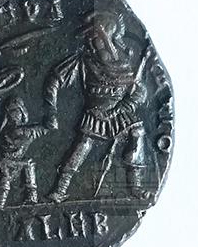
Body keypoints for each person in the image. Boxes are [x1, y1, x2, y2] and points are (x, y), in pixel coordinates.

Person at [44, 10, 150, 202]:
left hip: (120, 113)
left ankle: (135, 186)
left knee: (137, 133)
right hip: (95, 113)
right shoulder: (84, 61)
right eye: (91, 38)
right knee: (82, 146)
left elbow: (140, 92)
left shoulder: (125, 64)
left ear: (107, 37)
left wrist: (125, 106)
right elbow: (55, 79)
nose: (91, 42)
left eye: (96, 37)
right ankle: (60, 189)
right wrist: (51, 110)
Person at [0, 97, 52, 210]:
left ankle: (32, 198)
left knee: (28, 164)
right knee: (10, 175)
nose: (14, 115)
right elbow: (42, 130)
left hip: (14, 164)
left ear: (22, 112)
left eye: (17, 111)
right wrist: (50, 119)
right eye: (12, 112)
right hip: (5, 164)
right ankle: (0, 204)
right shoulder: (15, 131)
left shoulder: (20, 130)